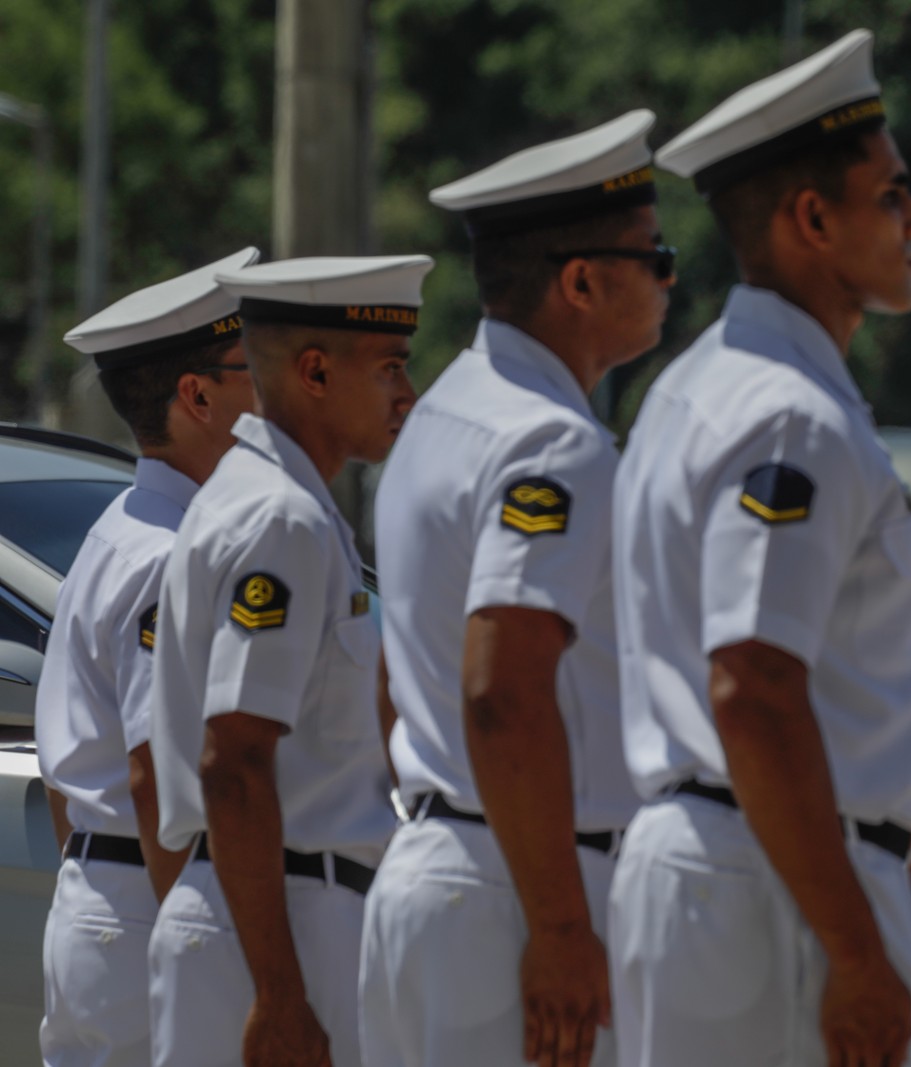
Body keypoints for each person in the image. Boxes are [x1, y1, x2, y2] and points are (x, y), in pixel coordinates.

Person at [608, 29, 911, 1067]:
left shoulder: (698, 386)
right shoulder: (788, 414)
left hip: (739, 871)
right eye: (890, 194)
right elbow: (752, 681)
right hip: (784, 889)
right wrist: (853, 945)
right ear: (812, 218)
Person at [359, 111, 673, 1067]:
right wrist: (561, 928)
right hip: (519, 892)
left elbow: (395, 680)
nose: (670, 276)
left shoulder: (446, 414)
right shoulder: (549, 439)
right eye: (654, 256)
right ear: (581, 281)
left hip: (447, 870)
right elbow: (501, 688)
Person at [145, 255, 432, 1067]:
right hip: (286, 921)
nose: (406, 392)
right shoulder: (280, 518)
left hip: (269, 910)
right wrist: (278, 993)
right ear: (313, 371)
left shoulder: (274, 502)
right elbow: (233, 760)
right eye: (389, 367)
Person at [36, 248, 261, 1067]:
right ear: (198, 396)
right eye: (253, 369)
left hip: (113, 896)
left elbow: (77, 790)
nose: (271, 391)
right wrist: (196, 949)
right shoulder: (168, 555)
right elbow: (154, 773)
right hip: (156, 906)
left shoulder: (122, 529)